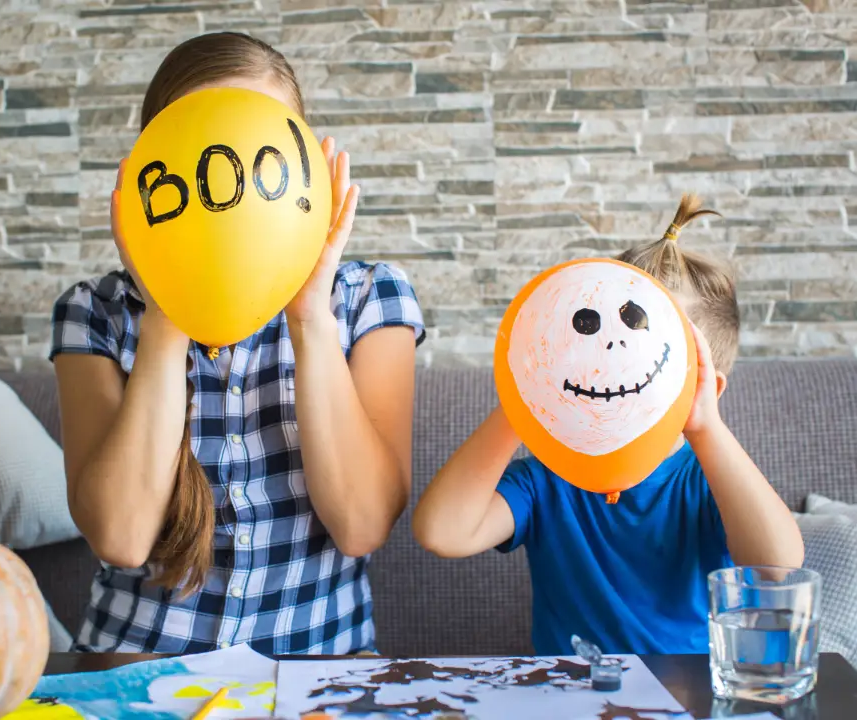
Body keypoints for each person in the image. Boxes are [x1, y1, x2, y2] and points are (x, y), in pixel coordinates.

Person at [49, 31, 425, 656]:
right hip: (134, 672)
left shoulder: (369, 299)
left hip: (318, 671)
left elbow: (361, 526)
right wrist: (168, 310)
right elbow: (121, 537)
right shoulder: (94, 313)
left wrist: (310, 317)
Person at [411, 195, 803, 655]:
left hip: (685, 698)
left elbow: (779, 569)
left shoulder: (709, 483)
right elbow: (441, 533)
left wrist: (707, 429)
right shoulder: (547, 478)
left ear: (706, 386)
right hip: (571, 698)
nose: (612, 357)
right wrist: (525, 398)